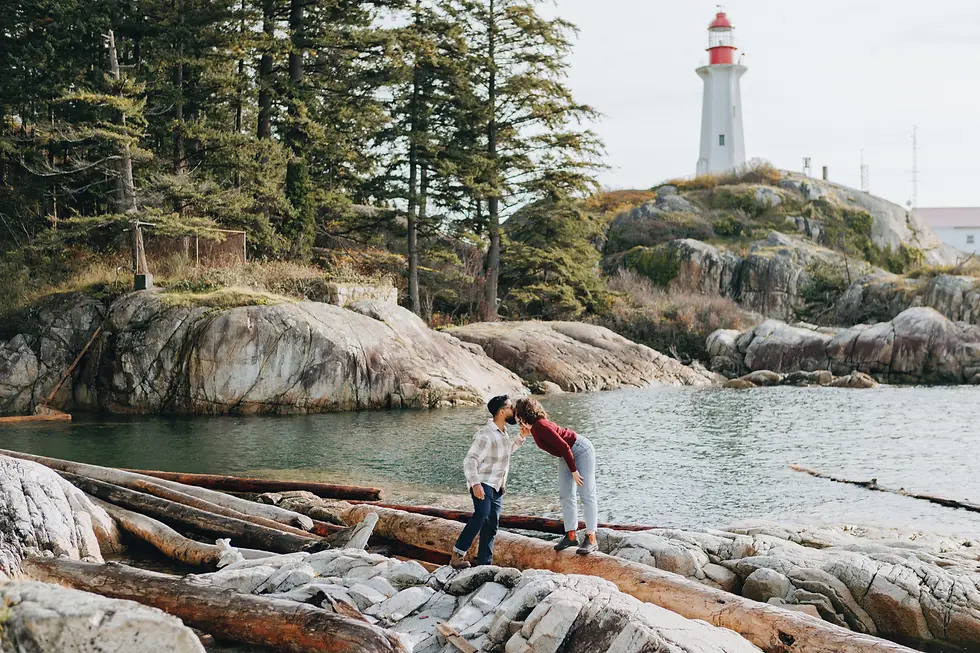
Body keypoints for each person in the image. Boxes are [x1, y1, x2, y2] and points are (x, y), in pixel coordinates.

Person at [449, 395, 527, 569]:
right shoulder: (486, 434)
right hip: (483, 483)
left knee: (491, 526)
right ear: (501, 412)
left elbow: (504, 453)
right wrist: (475, 483)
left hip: (497, 487)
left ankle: (485, 566)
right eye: (510, 407)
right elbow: (470, 460)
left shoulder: (502, 433)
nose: (514, 411)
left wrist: (521, 438)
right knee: (481, 516)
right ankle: (457, 556)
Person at [514, 397, 599, 555]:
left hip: (580, 449)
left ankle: (591, 537)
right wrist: (525, 433)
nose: (516, 418)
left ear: (524, 414)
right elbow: (555, 446)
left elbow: (564, 446)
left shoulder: (541, 425)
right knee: (565, 495)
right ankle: (571, 535)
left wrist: (574, 471)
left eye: (518, 415)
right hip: (565, 455)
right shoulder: (535, 428)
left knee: (586, 494)